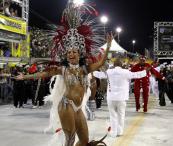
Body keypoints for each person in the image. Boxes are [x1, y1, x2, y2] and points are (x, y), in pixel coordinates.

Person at [15, 2, 113, 146]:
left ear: (79, 54)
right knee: (70, 140)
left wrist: (109, 46)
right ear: (66, 55)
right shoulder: (63, 69)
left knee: (85, 141)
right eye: (68, 52)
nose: (71, 54)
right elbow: (43, 74)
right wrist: (25, 77)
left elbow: (100, 62)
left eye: (74, 52)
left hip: (78, 108)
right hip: (66, 105)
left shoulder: (85, 69)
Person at [93, 58, 149, 137]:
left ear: (114, 65)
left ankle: (113, 132)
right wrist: (145, 72)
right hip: (122, 98)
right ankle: (120, 131)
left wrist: (91, 71)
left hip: (111, 98)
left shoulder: (109, 72)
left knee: (113, 115)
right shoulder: (126, 72)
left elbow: (99, 75)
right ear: (121, 65)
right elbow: (136, 75)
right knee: (121, 115)